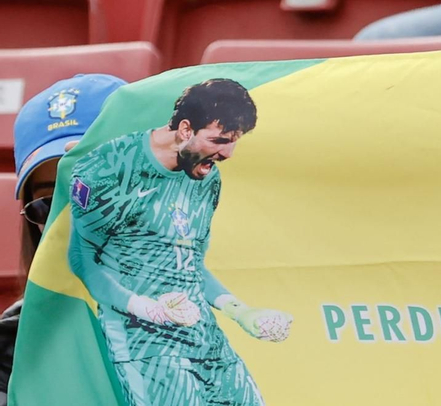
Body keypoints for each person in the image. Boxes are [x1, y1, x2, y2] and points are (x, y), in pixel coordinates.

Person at [68, 78, 292, 406]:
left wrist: (241, 311)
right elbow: (83, 257)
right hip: (144, 343)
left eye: (234, 142)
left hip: (202, 334)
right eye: (219, 140)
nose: (227, 154)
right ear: (185, 129)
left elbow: (191, 262)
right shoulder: (108, 168)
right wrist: (148, 308)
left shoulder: (206, 176)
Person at [0, 73, 127, 403]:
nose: (75, 217)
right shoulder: (10, 355)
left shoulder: (228, 319)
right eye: (49, 203)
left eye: (97, 188)